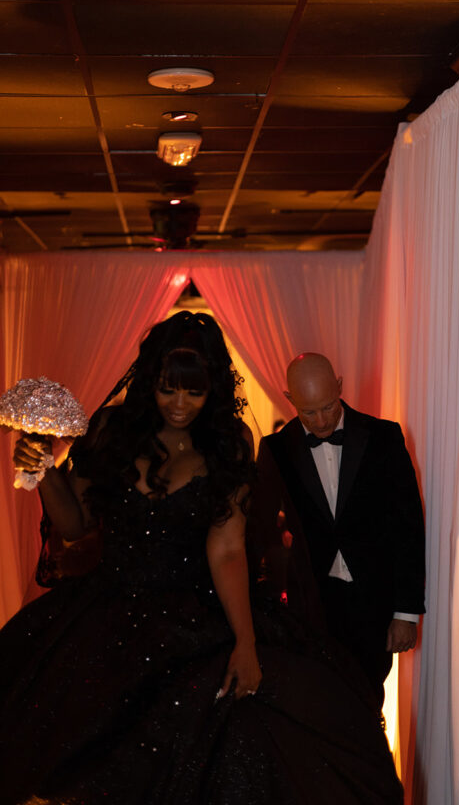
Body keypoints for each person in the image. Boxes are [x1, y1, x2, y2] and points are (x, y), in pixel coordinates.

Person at [0, 313, 403, 805]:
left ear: (213, 389)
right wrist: (45, 469)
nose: (179, 404)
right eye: (169, 389)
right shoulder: (108, 429)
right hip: (108, 611)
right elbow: (75, 527)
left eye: (194, 391)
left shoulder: (228, 442)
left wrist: (246, 642)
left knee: (242, 735)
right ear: (151, 382)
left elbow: (228, 549)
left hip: (198, 613)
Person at [257, 353, 426, 705]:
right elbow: (258, 530)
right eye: (308, 412)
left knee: (366, 704)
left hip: (372, 604)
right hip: (309, 608)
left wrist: (405, 612)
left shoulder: (384, 437)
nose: (320, 421)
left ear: (340, 386)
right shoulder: (276, 449)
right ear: (290, 400)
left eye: (328, 407)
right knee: (319, 709)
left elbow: (407, 526)